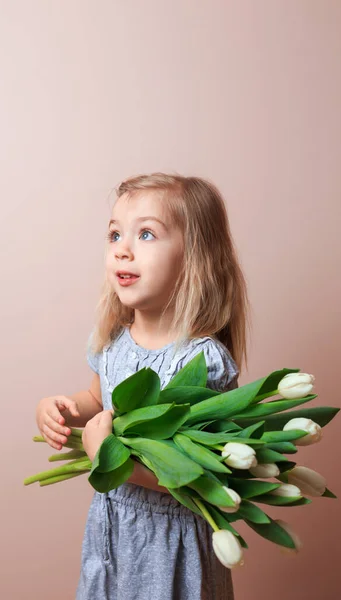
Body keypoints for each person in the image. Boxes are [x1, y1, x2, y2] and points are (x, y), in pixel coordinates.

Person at [36, 172, 252, 600]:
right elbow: (98, 399)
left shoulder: (199, 361)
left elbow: (196, 475)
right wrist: (62, 407)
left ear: (195, 257)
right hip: (115, 527)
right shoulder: (113, 342)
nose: (123, 249)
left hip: (169, 538)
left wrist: (112, 462)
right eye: (115, 234)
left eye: (147, 234)